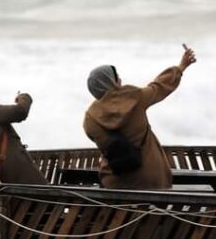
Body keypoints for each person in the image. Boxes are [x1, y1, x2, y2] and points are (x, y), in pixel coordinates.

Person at [82, 46, 197, 190]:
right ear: (113, 82)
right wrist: (181, 66)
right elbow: (159, 87)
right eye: (117, 77)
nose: (120, 80)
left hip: (115, 182)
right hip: (151, 180)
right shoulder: (134, 97)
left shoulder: (90, 118)